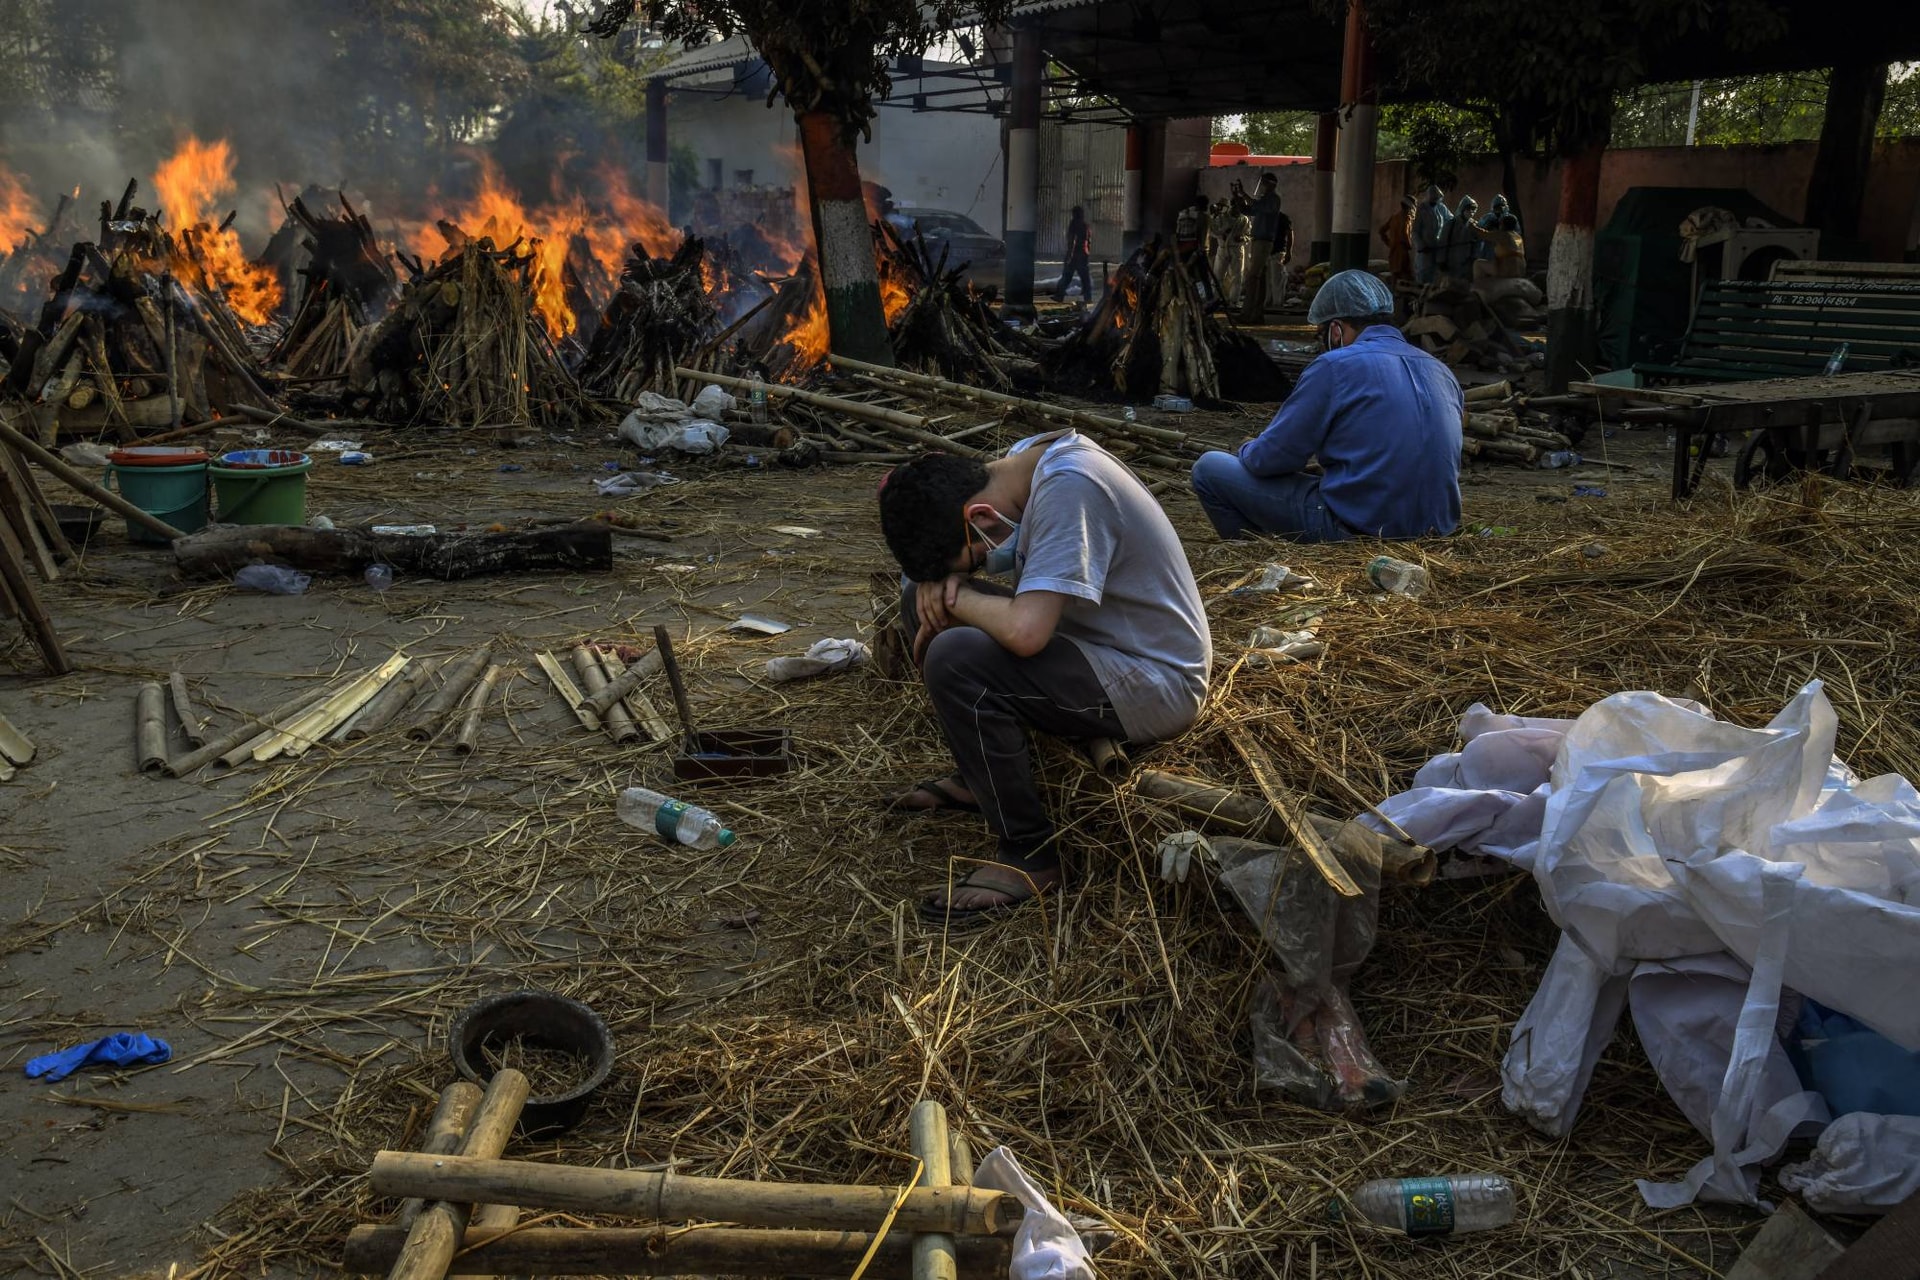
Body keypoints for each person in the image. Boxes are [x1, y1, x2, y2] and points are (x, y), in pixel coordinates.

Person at [879, 432, 1212, 923]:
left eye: (976, 554)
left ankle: (1029, 856)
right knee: (917, 593)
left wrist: (958, 598)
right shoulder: (1021, 465)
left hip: (1154, 678)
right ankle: (982, 781)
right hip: (1089, 648)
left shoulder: (1070, 488)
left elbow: (1027, 633)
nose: (985, 560)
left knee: (954, 654)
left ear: (982, 519)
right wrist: (934, 586)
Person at [1189, 269, 1463, 542]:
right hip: (1435, 531)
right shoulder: (1440, 370)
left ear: (1336, 331)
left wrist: (1247, 448)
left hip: (1360, 528)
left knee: (1209, 469)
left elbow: (1270, 459)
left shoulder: (1335, 366)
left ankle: (1253, 556)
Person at [1240, 172, 1283, 323]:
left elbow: (1258, 207)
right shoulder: (1265, 200)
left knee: (1252, 278)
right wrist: (1239, 199)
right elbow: (1249, 210)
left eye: (1263, 183)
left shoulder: (1273, 200)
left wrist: (1244, 195)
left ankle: (1247, 313)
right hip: (1258, 241)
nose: (1262, 186)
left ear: (1270, 184)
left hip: (1264, 242)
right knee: (1259, 278)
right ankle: (1256, 314)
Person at [1411, 184, 1450, 285]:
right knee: (1423, 275)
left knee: (1434, 277)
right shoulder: (1421, 209)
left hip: (1437, 248)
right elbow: (1415, 231)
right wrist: (1421, 245)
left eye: (1436, 199)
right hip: (1425, 250)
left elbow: (1451, 220)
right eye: (1432, 199)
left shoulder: (1441, 208)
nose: (1434, 202)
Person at [1054, 205, 1092, 301]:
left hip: (1074, 256)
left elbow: (1072, 241)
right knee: (1085, 279)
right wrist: (1086, 255)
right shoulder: (1085, 226)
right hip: (1082, 256)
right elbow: (1088, 242)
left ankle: (1059, 296)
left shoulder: (1073, 224)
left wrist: (1069, 256)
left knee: (1067, 277)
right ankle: (1088, 298)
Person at [1379, 194, 1416, 283]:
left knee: (1395, 278)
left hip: (1393, 252)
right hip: (1402, 253)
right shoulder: (1406, 218)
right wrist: (1409, 245)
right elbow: (1404, 234)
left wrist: (1389, 243)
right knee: (1406, 280)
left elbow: (1381, 231)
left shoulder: (1394, 217)